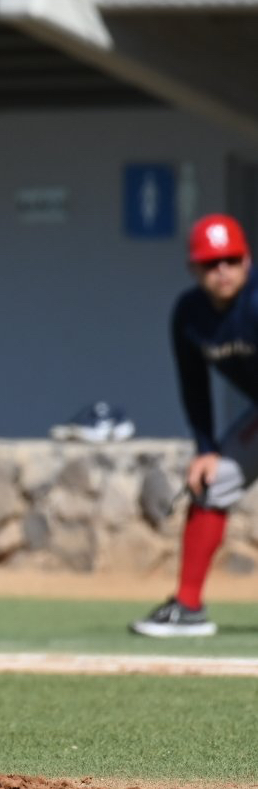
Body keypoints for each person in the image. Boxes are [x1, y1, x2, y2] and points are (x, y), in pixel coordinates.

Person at [132, 213, 256, 637]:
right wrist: (205, 447)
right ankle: (187, 606)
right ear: (194, 268)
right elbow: (193, 385)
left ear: (248, 260)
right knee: (213, 480)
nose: (222, 270)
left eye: (231, 260)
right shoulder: (189, 314)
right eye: (210, 263)